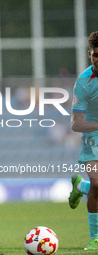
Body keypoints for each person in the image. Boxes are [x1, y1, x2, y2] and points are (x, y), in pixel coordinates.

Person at [68, 31, 98, 251]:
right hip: (93, 135)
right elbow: (76, 123)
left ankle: (80, 186)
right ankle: (95, 237)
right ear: (90, 55)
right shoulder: (84, 81)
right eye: (96, 54)